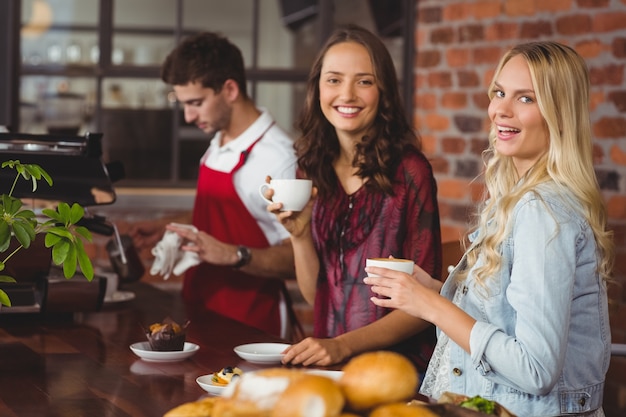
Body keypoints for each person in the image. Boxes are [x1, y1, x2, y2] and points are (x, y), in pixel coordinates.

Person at [365, 41, 614, 417]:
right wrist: (434, 290)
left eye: (526, 98)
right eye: (499, 92)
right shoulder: (520, 197)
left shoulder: (541, 210)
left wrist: (430, 306)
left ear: (560, 115)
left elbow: (535, 369)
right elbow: (507, 315)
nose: (501, 109)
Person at [267, 24, 442, 373]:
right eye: (333, 80)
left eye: (364, 81)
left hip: (397, 368)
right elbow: (318, 295)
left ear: (384, 91)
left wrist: (342, 346)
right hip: (328, 361)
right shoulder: (310, 169)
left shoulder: (410, 171)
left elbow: (427, 304)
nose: (346, 94)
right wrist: (299, 237)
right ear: (317, 87)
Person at [129, 31, 300, 339]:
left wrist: (235, 255)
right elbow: (224, 217)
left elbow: (300, 258)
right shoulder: (219, 141)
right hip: (200, 310)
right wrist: (166, 226)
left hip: (252, 324)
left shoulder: (279, 158)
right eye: (182, 104)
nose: (188, 115)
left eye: (196, 103)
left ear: (230, 89)